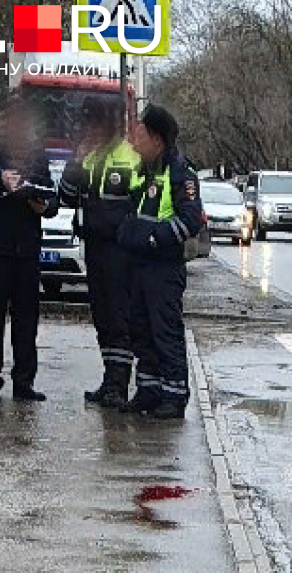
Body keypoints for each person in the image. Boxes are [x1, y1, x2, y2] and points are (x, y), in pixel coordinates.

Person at [0, 95, 57, 402]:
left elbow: (52, 196)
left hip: (27, 250)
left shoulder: (36, 154)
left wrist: (41, 205)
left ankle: (24, 382)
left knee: (26, 321)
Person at [118, 105, 203, 419]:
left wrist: (156, 238)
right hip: (139, 265)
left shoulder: (180, 172)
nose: (134, 140)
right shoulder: (144, 170)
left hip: (163, 268)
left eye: (139, 134)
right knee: (140, 330)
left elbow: (191, 219)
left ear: (156, 138)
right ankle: (148, 391)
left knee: (164, 330)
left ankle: (175, 395)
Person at [58, 96, 139, 409]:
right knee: (102, 316)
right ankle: (109, 379)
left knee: (119, 317)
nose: (88, 128)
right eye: (85, 122)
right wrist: (75, 163)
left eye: (93, 122)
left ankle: (120, 383)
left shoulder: (128, 157)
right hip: (94, 246)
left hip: (120, 251)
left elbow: (139, 205)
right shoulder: (87, 157)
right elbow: (66, 197)